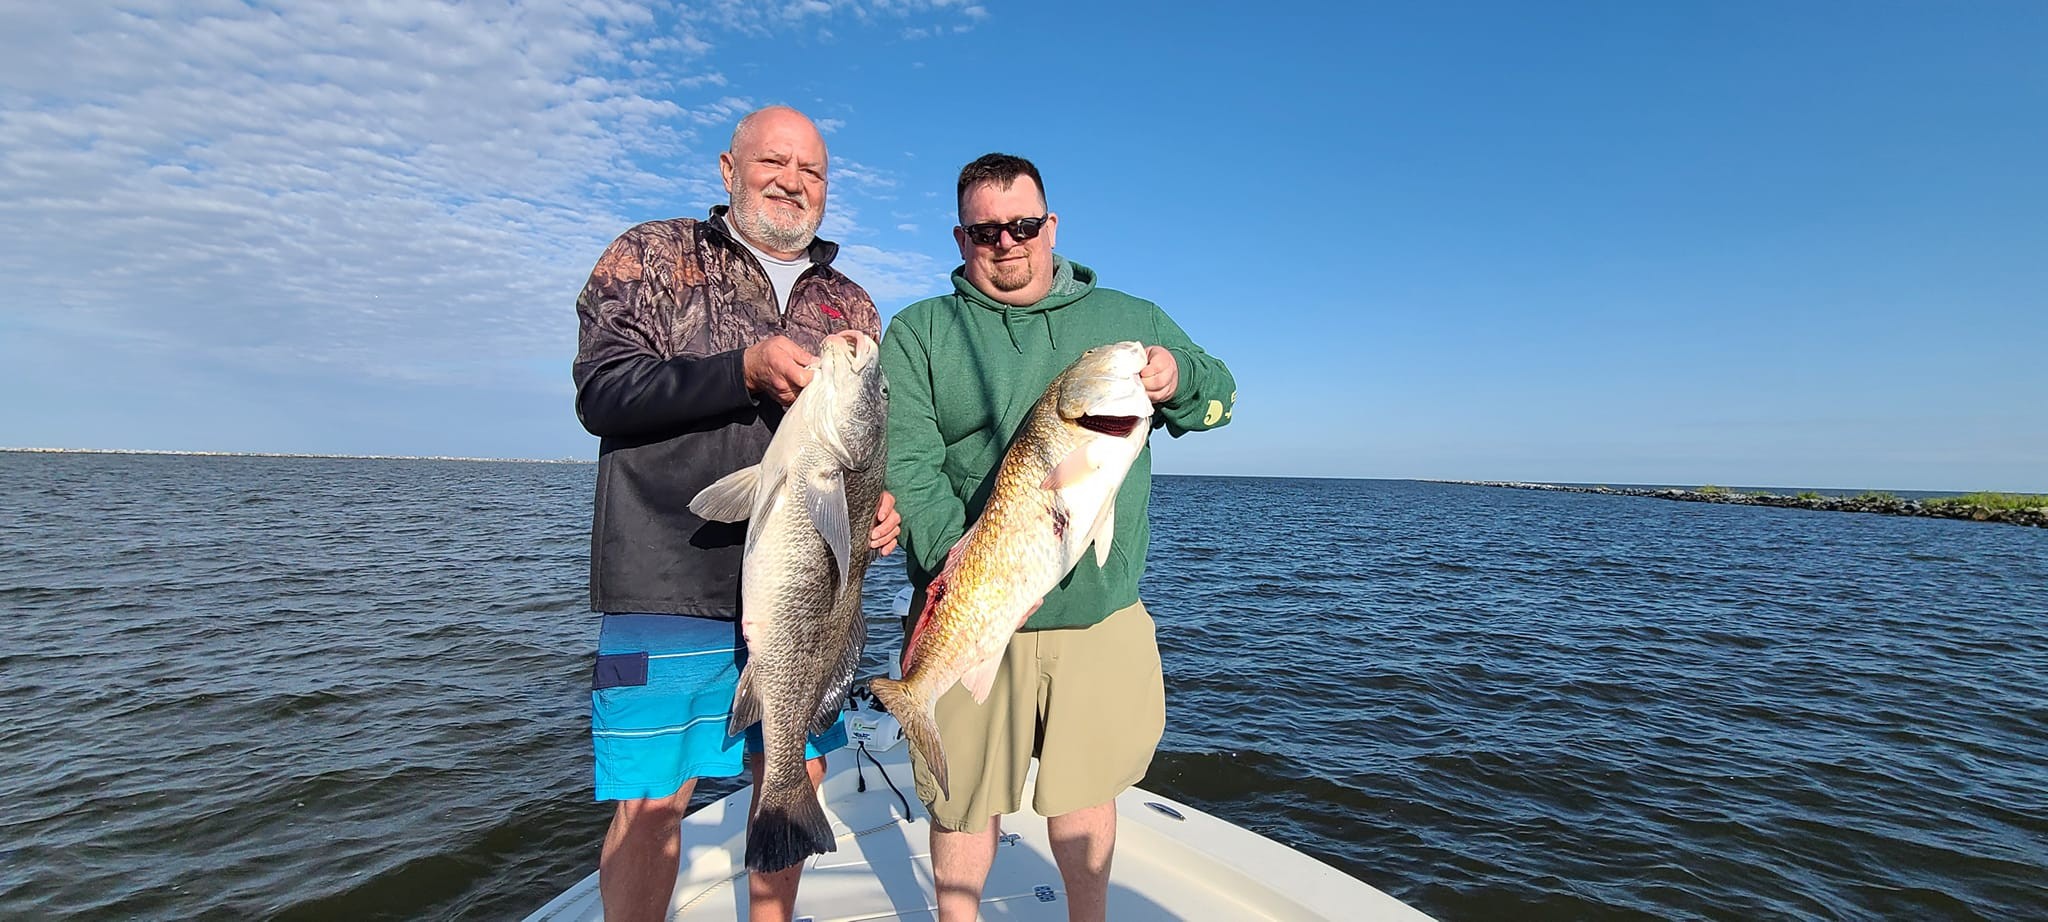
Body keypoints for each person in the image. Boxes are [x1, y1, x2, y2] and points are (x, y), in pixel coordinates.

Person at [880, 153, 1236, 921]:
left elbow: (1221, 396)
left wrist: (1179, 380)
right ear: (961, 236)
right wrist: (962, 559)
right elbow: (906, 461)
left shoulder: (1128, 317)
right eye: (985, 231)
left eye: (1024, 224)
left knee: (1084, 793)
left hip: (1097, 616)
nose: (1007, 242)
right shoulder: (918, 333)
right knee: (961, 802)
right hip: (966, 608)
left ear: (1052, 225)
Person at [571, 105, 900, 922]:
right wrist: (742, 370)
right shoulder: (650, 254)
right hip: (667, 578)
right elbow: (601, 391)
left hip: (811, 597)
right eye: (774, 162)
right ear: (729, 169)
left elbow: (865, 443)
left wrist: (877, 509)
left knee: (797, 771)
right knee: (652, 802)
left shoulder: (849, 302)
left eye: (812, 171)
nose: (793, 181)